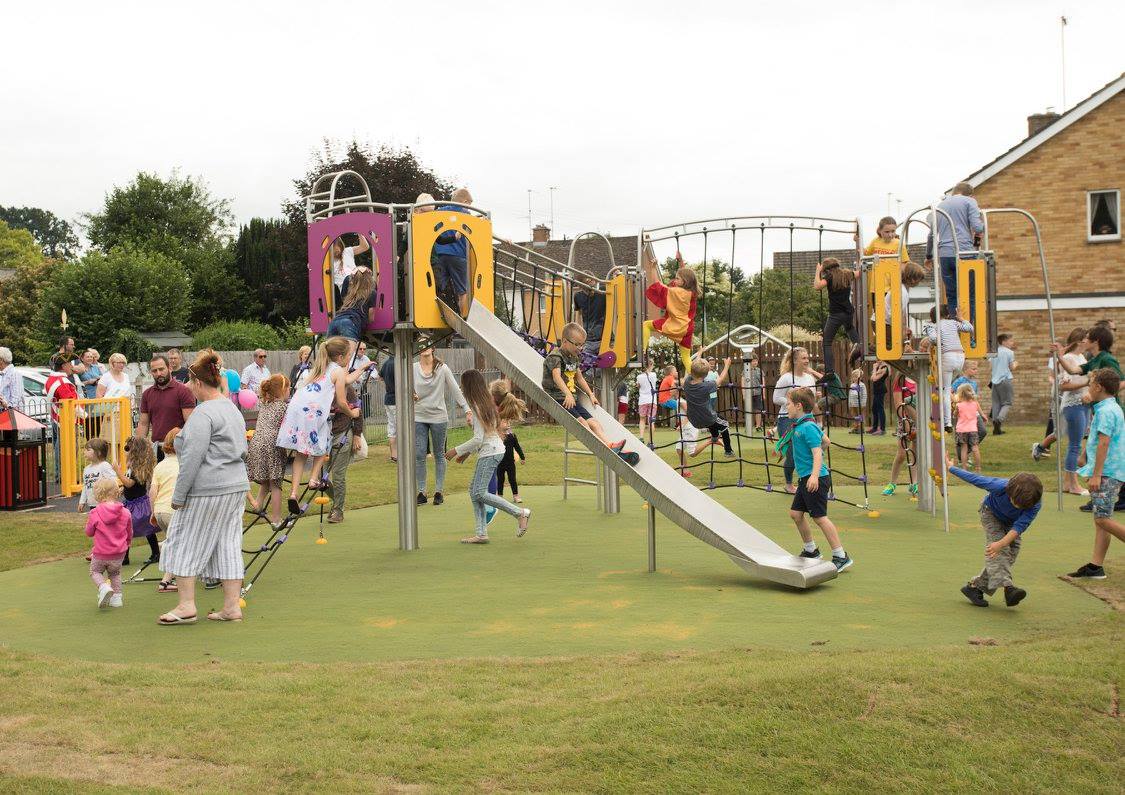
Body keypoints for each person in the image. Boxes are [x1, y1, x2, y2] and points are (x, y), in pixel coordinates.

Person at [157, 349, 251, 625]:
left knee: (183, 540)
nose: (187, 387)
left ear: (198, 383)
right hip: (234, 487)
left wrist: (179, 495)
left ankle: (186, 605)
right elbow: (243, 448)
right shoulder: (231, 409)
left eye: (189, 382)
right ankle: (231, 607)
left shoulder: (202, 414)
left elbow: (192, 459)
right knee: (228, 543)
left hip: (208, 488)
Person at [278, 337, 363, 516]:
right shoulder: (338, 370)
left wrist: (363, 368)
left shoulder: (320, 368)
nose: (350, 359)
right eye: (349, 356)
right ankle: (313, 479)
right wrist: (353, 414)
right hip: (313, 412)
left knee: (302, 452)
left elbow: (346, 380)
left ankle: (293, 493)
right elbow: (341, 402)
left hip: (296, 408)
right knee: (323, 444)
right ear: (340, 357)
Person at [448, 369, 531, 544]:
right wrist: (466, 454)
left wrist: (457, 450)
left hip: (491, 452)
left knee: (479, 492)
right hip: (492, 450)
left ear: (469, 386)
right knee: (474, 492)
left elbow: (478, 438)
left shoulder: (478, 406)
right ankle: (481, 533)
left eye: (463, 385)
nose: (462, 388)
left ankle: (520, 513)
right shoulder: (484, 404)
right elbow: (485, 435)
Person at [949, 463, 1042, 608]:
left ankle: (974, 588)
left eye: (1022, 506)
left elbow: (1019, 526)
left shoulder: (1034, 504)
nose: (1017, 506)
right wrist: (951, 467)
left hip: (1011, 523)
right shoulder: (1000, 486)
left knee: (1011, 551)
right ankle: (1009, 589)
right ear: (1010, 491)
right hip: (990, 513)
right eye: (1014, 503)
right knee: (1001, 552)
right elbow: (975, 479)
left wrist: (1002, 544)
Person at [783, 387, 852, 572]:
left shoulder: (807, 426)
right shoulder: (804, 424)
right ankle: (811, 550)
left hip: (816, 479)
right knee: (796, 514)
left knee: (820, 518)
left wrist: (814, 475)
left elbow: (817, 453)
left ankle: (841, 556)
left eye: (788, 404)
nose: (786, 407)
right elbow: (826, 441)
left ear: (798, 406)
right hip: (806, 478)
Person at [1066, 369, 1125, 580]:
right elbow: (1097, 439)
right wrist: (1084, 457)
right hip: (1109, 470)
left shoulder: (1107, 411)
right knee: (1101, 519)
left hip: (1107, 472)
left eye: (1091, 384)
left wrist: (1097, 474)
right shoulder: (1106, 408)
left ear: (1098, 387)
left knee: (1102, 520)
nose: (1089, 387)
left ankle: (1095, 566)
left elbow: (1104, 442)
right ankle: (1095, 566)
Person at [542, 323, 629, 457]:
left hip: (571, 398)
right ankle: (603, 448)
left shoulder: (574, 357)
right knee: (583, 423)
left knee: (594, 422)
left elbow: (580, 378)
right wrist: (567, 394)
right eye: (577, 344)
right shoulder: (555, 356)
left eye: (582, 344)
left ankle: (610, 445)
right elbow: (557, 377)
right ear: (565, 341)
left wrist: (591, 394)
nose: (580, 348)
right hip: (559, 397)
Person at [414, 346, 471, 506]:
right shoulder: (412, 368)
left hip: (438, 417)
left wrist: (467, 409)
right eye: (420, 345)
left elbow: (455, 389)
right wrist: (410, 394)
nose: (423, 348)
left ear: (432, 348)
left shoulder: (442, 368)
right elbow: (405, 389)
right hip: (418, 416)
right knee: (419, 455)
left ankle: (439, 491)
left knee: (439, 454)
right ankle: (421, 492)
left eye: (427, 345)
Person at [925, 182, 985, 313]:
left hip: (945, 255)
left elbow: (931, 235)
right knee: (970, 294)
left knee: (951, 295)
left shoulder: (940, 206)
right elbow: (977, 227)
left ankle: (954, 328)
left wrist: (928, 256)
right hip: (964, 253)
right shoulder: (969, 201)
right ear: (970, 194)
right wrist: (983, 224)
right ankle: (969, 329)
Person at [641, 250, 699, 372]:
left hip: (673, 325)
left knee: (646, 325)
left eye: (677, 279)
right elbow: (687, 276)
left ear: (684, 281)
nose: (675, 280)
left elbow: (659, 286)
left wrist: (653, 268)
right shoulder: (692, 293)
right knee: (686, 358)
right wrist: (681, 261)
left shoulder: (676, 292)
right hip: (687, 329)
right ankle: (697, 379)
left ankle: (643, 352)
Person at [773, 347, 820, 493]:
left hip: (807, 420)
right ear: (794, 360)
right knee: (792, 454)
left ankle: (809, 480)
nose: (807, 361)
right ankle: (789, 484)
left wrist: (814, 398)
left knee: (809, 451)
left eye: (807, 358)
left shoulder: (809, 378)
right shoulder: (786, 378)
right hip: (787, 419)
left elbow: (810, 402)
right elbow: (775, 398)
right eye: (803, 358)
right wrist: (792, 401)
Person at [246, 374, 290, 526]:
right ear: (283, 390)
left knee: (267, 477)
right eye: (288, 387)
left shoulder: (265, 404)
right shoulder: (283, 407)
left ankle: (258, 502)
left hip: (256, 443)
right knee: (276, 483)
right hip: (271, 445)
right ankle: (277, 519)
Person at [135, 353, 195, 462]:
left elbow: (191, 423)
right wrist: (137, 449)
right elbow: (143, 424)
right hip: (157, 448)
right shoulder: (147, 394)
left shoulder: (183, 391)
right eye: (155, 371)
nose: (158, 373)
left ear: (169, 368)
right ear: (151, 373)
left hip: (178, 448)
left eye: (161, 369)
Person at [922, 305, 973, 431]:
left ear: (932, 316)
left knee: (945, 390)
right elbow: (969, 328)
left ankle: (948, 423)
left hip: (948, 356)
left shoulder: (933, 325)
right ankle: (954, 410)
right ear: (947, 314)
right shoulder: (953, 323)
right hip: (960, 357)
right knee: (948, 387)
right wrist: (961, 318)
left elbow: (934, 339)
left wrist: (930, 336)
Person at [85, 477, 132, 609]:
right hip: (119, 553)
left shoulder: (95, 512)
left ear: (99, 495)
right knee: (115, 574)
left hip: (101, 552)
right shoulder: (126, 512)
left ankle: (103, 586)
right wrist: (127, 543)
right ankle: (117, 598)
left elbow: (89, 532)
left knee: (95, 571)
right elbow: (129, 531)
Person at [814, 257, 861, 378]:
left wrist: (818, 271)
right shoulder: (847, 274)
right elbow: (860, 273)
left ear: (826, 269)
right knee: (850, 329)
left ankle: (829, 371)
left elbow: (817, 286)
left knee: (826, 342)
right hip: (848, 312)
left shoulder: (829, 277)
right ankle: (858, 344)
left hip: (835, 314)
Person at [327, 378, 364, 524]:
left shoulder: (346, 387)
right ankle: (336, 501)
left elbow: (357, 411)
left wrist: (356, 435)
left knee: (338, 475)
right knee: (318, 480)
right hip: (323, 436)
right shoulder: (319, 388)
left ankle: (338, 510)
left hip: (342, 432)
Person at [433, 188, 475, 315]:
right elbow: (478, 230)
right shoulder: (465, 214)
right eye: (469, 204)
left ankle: (440, 315)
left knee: (441, 289)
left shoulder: (440, 211)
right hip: (458, 256)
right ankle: (464, 318)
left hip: (440, 255)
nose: (469, 207)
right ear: (465, 201)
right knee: (462, 291)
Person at [117, 437, 156, 567]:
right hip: (130, 502)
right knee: (125, 529)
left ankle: (156, 552)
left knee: (147, 529)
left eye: (127, 449)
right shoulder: (131, 466)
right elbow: (129, 485)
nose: (125, 452)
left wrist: (117, 472)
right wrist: (122, 489)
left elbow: (129, 483)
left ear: (136, 451)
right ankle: (125, 557)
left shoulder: (137, 468)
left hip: (139, 504)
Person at [149, 428, 180, 593]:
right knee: (180, 544)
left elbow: (152, 492)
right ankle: (166, 581)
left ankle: (170, 577)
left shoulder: (160, 466)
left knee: (174, 541)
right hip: (174, 510)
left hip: (161, 510)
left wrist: (153, 512)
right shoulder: (182, 464)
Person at [686, 357, 734, 458]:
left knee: (713, 420)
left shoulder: (687, 382)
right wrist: (726, 366)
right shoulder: (706, 386)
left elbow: (692, 369)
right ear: (707, 374)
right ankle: (728, 451)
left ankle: (715, 438)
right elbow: (720, 379)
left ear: (691, 371)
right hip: (707, 418)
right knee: (724, 424)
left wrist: (698, 355)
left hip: (693, 420)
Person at [326, 267, 376, 364]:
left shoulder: (349, 295)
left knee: (331, 362)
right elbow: (371, 318)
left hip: (335, 321)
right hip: (350, 323)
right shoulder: (372, 293)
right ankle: (344, 379)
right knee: (345, 362)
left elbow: (346, 281)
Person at [882, 374, 918, 496]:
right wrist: (905, 421)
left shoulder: (921, 376)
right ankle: (892, 483)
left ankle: (914, 483)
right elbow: (898, 403)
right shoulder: (900, 379)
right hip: (905, 419)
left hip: (919, 419)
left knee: (915, 452)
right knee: (902, 454)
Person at [884, 261, 926, 353]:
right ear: (912, 279)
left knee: (893, 347)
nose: (919, 282)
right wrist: (902, 330)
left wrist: (904, 328)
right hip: (885, 323)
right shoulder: (902, 293)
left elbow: (899, 314)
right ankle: (864, 349)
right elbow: (895, 314)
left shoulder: (901, 289)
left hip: (886, 322)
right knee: (892, 349)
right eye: (919, 279)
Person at [330, 234, 371, 306]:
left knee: (364, 275)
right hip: (345, 289)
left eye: (338, 251)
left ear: (341, 246)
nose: (337, 253)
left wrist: (360, 233)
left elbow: (365, 247)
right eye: (335, 252)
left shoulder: (347, 251)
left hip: (357, 282)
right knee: (348, 279)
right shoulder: (328, 260)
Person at [989, 333, 1018, 435]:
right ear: (1004, 341)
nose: (1012, 343)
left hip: (994, 380)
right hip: (1005, 379)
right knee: (1007, 403)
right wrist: (1015, 364)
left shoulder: (993, 352)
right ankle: (999, 420)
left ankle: (996, 428)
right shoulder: (1009, 352)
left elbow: (991, 366)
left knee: (996, 403)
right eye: (1010, 341)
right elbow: (1011, 367)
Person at [78, 438, 116, 512]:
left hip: (104, 503)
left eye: (88, 450)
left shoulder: (104, 465)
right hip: (92, 504)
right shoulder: (86, 469)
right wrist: (82, 501)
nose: (84, 452)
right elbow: (85, 486)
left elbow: (113, 481)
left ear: (98, 453)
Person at [573, 276, 607, 355]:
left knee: (602, 365)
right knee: (587, 365)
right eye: (587, 281)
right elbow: (579, 315)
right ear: (581, 286)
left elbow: (616, 287)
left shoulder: (603, 292)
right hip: (588, 340)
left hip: (603, 338)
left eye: (591, 280)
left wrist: (617, 275)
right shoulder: (578, 296)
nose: (590, 282)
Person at [953, 383, 983, 470]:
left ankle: (964, 468)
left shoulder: (959, 405)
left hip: (961, 430)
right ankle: (978, 467)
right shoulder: (975, 404)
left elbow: (955, 415)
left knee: (964, 449)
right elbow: (979, 414)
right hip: (973, 430)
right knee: (975, 448)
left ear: (960, 394)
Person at [377, 354, 397, 461]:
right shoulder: (398, 363)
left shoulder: (386, 363)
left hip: (388, 398)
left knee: (392, 427)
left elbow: (379, 377)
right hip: (398, 400)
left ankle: (394, 455)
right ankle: (402, 454)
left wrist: (387, 385)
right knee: (401, 427)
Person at [636, 362, 658, 439]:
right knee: (651, 420)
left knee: (642, 419)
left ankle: (641, 437)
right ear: (650, 365)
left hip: (642, 400)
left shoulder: (639, 377)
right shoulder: (654, 375)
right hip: (652, 400)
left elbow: (638, 386)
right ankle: (650, 440)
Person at [744, 353, 765, 432]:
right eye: (753, 361)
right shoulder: (745, 370)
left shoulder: (760, 371)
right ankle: (748, 426)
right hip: (748, 394)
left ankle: (758, 426)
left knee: (758, 410)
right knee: (748, 410)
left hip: (758, 393)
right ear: (749, 362)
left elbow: (763, 382)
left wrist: (763, 393)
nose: (755, 363)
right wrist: (743, 393)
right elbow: (743, 382)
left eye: (756, 361)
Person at [868, 360, 888, 435]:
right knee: (874, 409)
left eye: (879, 359)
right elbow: (871, 378)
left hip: (881, 390)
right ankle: (874, 427)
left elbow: (875, 378)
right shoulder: (879, 368)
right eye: (877, 359)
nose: (877, 361)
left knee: (880, 409)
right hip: (876, 391)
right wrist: (876, 371)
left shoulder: (884, 367)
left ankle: (882, 429)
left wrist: (874, 369)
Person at [0, 347, 22, 413]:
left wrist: (5, 404)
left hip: (11, 416)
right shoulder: (2, 373)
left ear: (1, 360)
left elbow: (16, 401)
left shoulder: (14, 374)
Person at [847, 368, 867, 433]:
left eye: (856, 377)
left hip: (860, 404)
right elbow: (850, 395)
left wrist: (863, 403)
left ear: (860, 378)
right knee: (854, 416)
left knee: (860, 415)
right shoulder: (852, 385)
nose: (854, 378)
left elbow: (864, 395)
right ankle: (855, 427)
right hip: (853, 404)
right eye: (853, 377)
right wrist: (850, 403)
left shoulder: (862, 385)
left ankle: (861, 428)